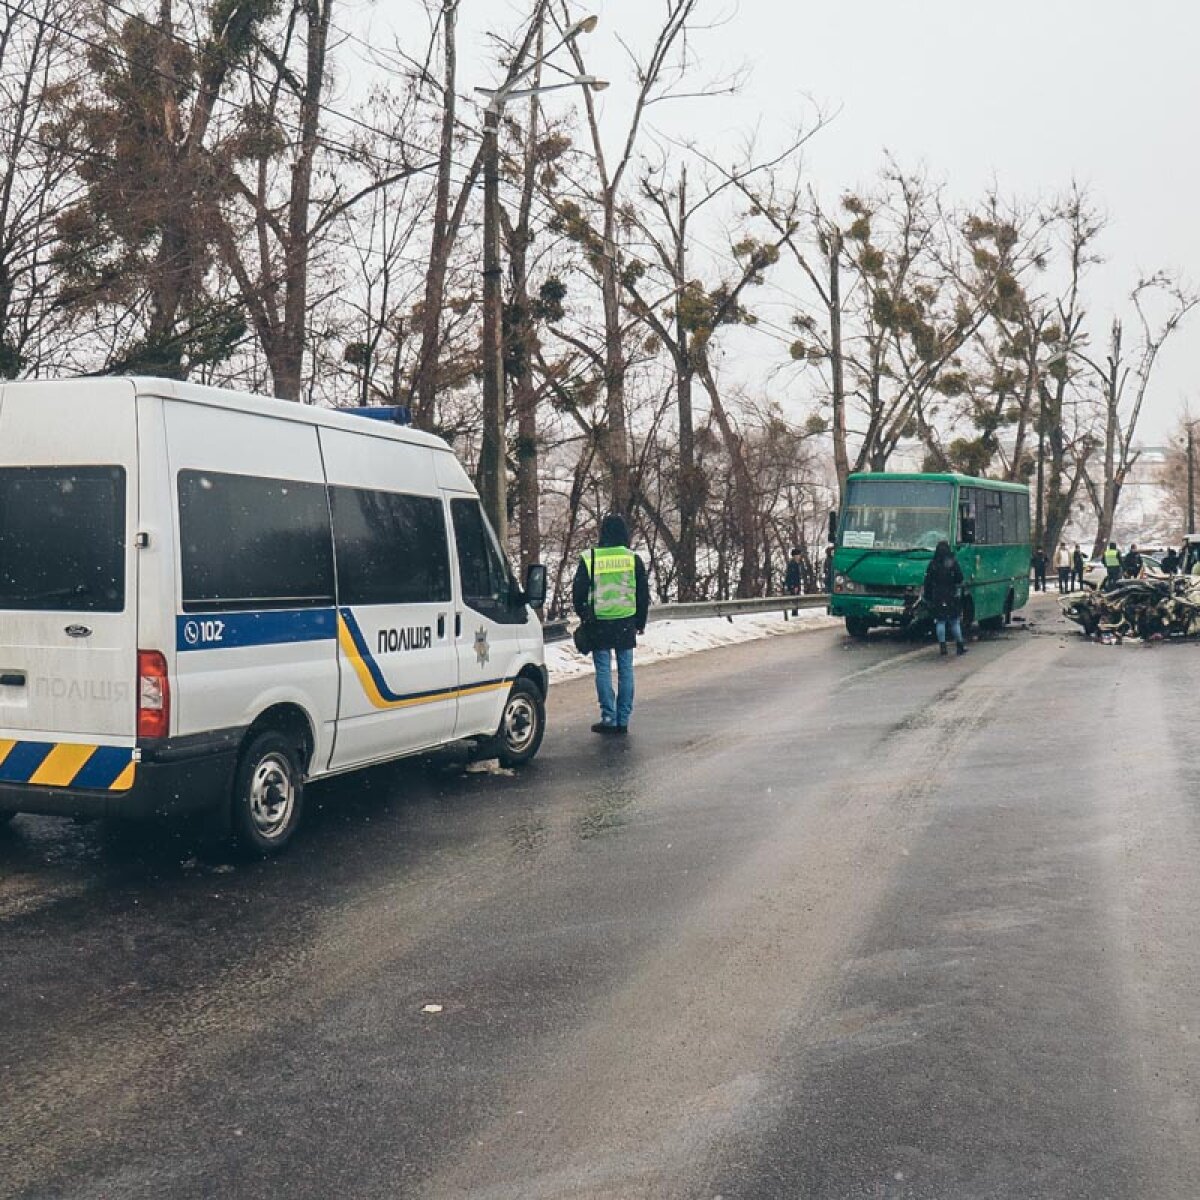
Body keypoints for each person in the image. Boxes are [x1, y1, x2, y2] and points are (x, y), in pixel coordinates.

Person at [572, 513, 650, 735]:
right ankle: (623, 718)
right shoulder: (632, 558)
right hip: (625, 621)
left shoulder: (590, 558)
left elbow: (578, 593)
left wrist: (585, 616)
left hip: (599, 623)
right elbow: (642, 593)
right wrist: (640, 621)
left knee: (603, 671)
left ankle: (608, 717)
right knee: (626, 671)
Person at [923, 540, 966, 657]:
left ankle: (943, 647)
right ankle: (960, 645)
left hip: (938, 596)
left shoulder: (932, 564)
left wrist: (927, 597)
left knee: (940, 621)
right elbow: (960, 578)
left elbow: (927, 582)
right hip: (951, 595)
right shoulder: (952, 563)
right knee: (954, 621)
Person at [784, 547, 803, 617]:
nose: (799, 556)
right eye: (798, 555)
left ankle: (795, 612)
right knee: (794, 599)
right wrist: (794, 585)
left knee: (796, 600)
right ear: (795, 556)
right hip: (794, 585)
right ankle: (794, 613)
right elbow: (792, 576)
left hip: (795, 585)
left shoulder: (796, 564)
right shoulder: (793, 564)